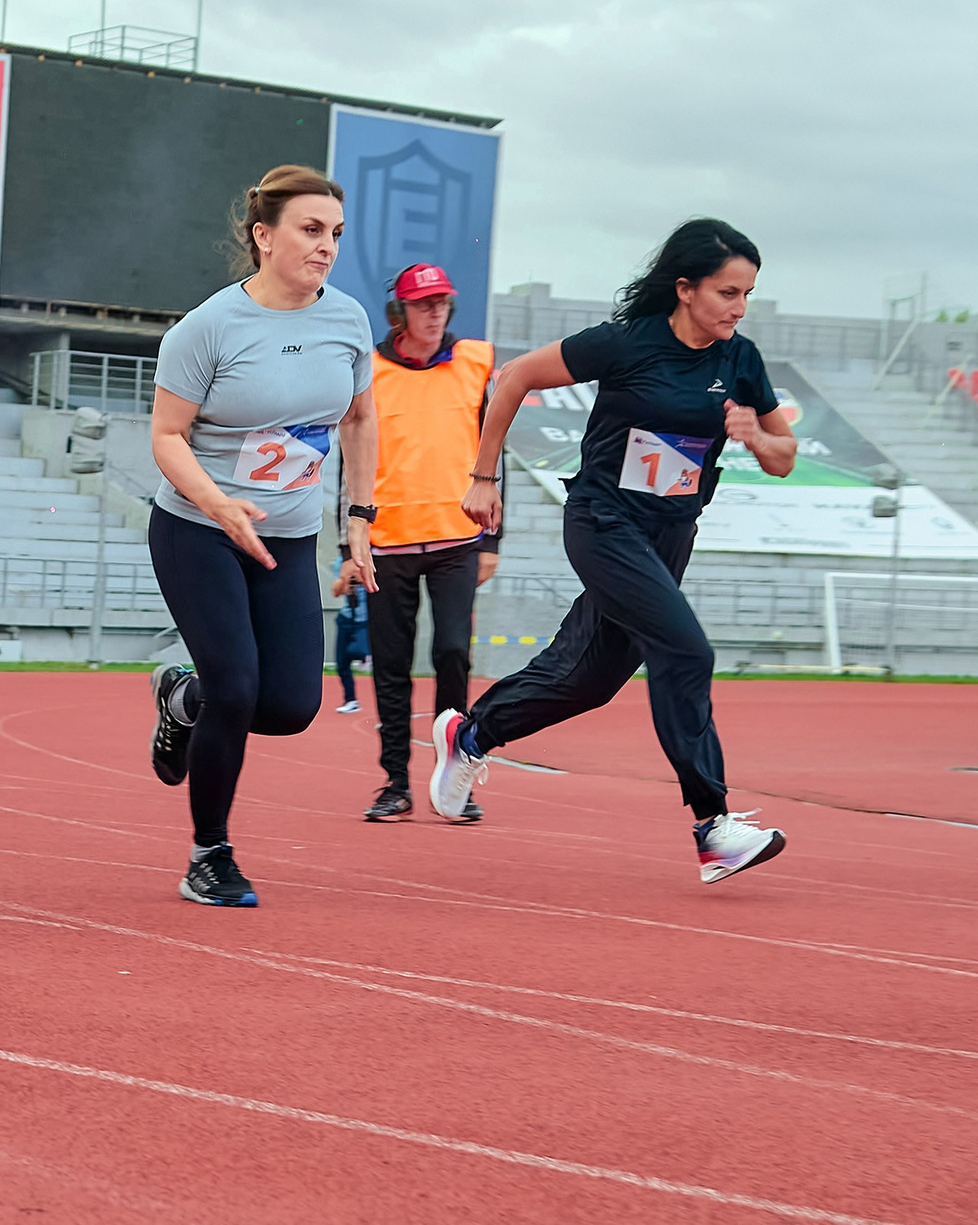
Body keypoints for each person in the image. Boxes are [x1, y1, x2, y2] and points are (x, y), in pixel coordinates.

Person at [430, 218, 797, 884]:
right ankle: (714, 826)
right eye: (726, 292)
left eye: (747, 293)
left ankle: (470, 735)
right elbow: (512, 378)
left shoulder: (739, 359)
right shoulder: (626, 344)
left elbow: (784, 457)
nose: (739, 308)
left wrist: (754, 434)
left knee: (590, 679)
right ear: (684, 288)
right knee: (686, 651)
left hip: (668, 535)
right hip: (603, 521)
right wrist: (483, 479)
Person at [144, 164, 378, 907]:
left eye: (336, 234)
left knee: (289, 705)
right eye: (311, 230)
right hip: (198, 528)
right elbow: (167, 436)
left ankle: (183, 699)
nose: (326, 247)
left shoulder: (347, 319)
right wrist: (220, 504)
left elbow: (361, 419)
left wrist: (359, 521)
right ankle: (208, 854)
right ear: (263, 235)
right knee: (238, 688)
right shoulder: (209, 328)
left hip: (290, 534)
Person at [344, 262, 501, 823]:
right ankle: (395, 783)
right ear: (400, 312)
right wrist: (349, 546)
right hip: (387, 542)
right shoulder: (370, 372)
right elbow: (351, 461)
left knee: (453, 652)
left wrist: (492, 540)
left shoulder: (475, 363)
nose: (435, 313)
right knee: (390, 665)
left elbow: (493, 448)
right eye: (422, 304)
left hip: (459, 536)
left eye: (441, 303)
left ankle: (455, 775)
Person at [332, 580, 367, 713]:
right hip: (346, 619)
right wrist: (345, 581)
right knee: (342, 663)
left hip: (365, 621)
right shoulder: (340, 563)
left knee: (357, 651)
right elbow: (336, 591)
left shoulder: (372, 563)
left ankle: (364, 656)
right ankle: (351, 700)